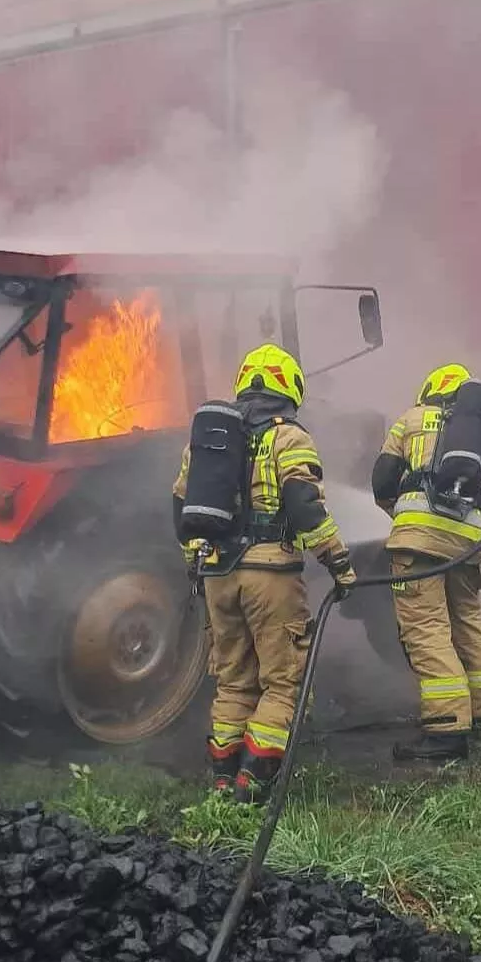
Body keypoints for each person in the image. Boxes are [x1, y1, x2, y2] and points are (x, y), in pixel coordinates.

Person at [172, 343, 357, 803]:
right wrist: (338, 562)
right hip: (270, 575)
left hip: (218, 575)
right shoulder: (289, 438)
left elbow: (181, 506)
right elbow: (305, 505)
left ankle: (222, 781)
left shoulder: (207, 442)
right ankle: (254, 783)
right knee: (283, 681)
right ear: (290, 387)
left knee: (234, 680)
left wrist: (195, 558)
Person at [371, 363, 481, 762]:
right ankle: (478, 713)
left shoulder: (411, 420)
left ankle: (447, 729)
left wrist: (406, 519)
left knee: (427, 630)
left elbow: (382, 482)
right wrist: (480, 533)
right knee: (468, 623)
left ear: (431, 392)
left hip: (417, 547)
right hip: (467, 551)